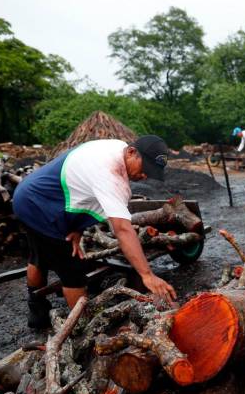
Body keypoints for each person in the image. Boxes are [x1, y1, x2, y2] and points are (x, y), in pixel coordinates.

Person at [12, 135, 177, 328]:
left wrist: (77, 228)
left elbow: (81, 187)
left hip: (29, 196)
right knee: (73, 273)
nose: (145, 176)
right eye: (145, 169)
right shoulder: (110, 173)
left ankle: (37, 311)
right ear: (132, 152)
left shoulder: (116, 148)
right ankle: (82, 328)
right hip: (40, 205)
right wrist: (147, 275)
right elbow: (123, 229)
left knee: (39, 257)